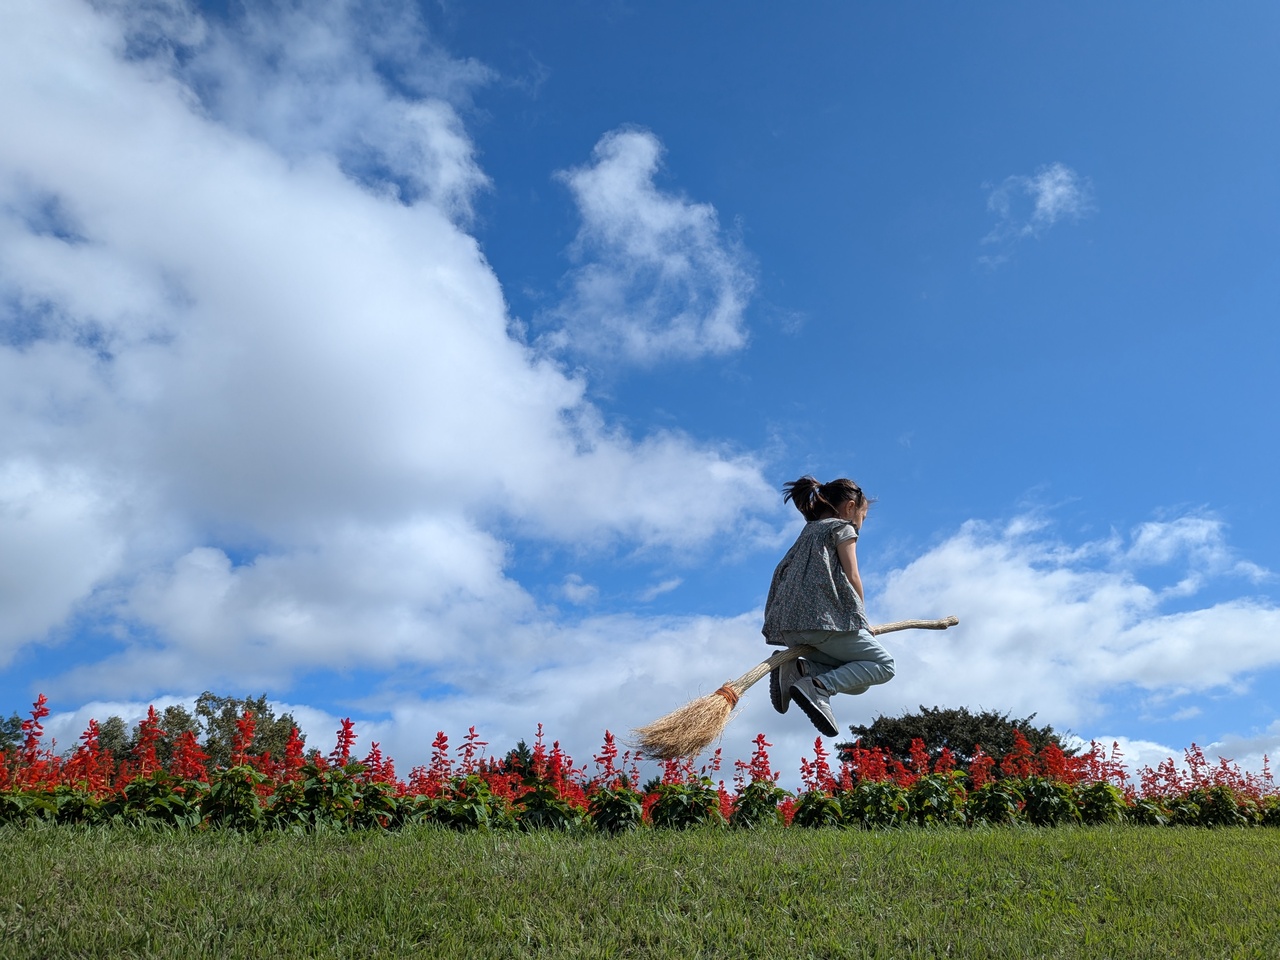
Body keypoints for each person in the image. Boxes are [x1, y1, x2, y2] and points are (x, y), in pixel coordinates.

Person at [762, 475, 895, 737]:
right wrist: (861, 620)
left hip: (791, 627)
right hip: (823, 622)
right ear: (850, 507)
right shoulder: (842, 528)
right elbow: (852, 575)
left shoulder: (806, 534)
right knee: (884, 666)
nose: (861, 523)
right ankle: (818, 687)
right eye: (863, 517)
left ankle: (800, 670)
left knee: (858, 683)